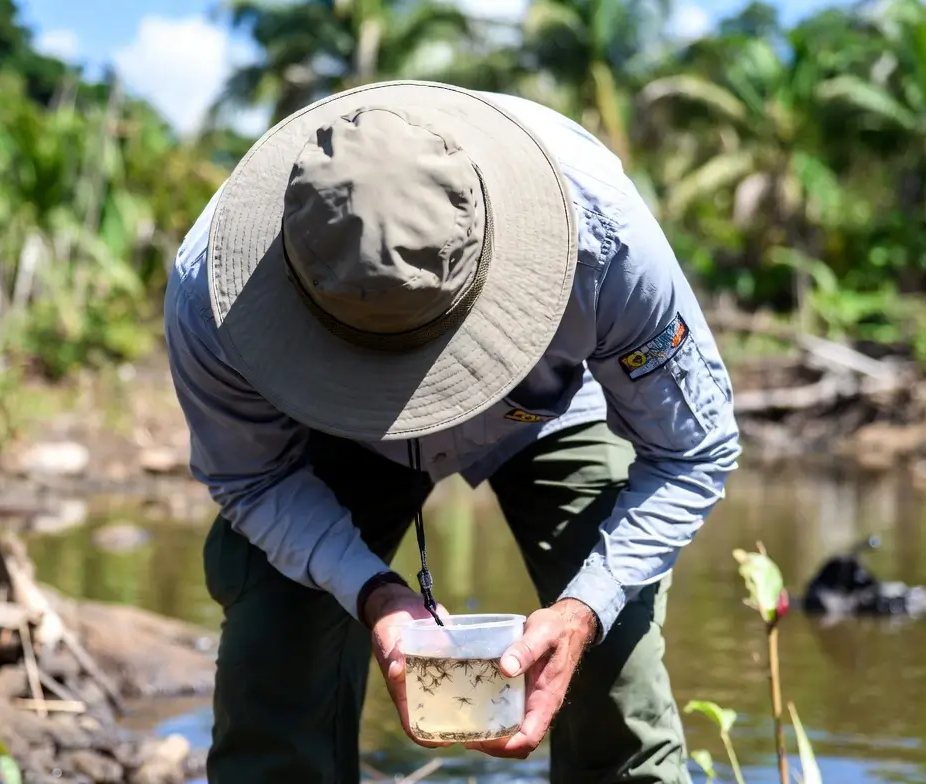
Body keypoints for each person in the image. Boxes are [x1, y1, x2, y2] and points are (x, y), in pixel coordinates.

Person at [163, 79, 741, 784]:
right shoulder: (212, 292)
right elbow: (253, 478)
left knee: (619, 677)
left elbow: (693, 449)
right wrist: (374, 592)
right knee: (275, 659)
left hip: (553, 411)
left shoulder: (603, 235)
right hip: (334, 437)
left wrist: (586, 607)